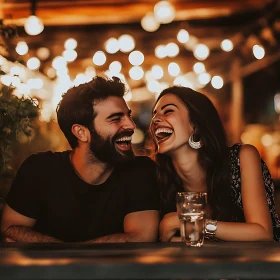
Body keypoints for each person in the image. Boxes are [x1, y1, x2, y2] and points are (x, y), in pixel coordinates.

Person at [1, 76, 160, 243]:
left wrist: (67, 254)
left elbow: (140, 237)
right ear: (81, 132)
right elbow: (11, 228)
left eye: (128, 116)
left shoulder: (140, 171)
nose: (131, 125)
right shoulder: (40, 169)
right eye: (116, 119)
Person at [149, 85, 280, 242]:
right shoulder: (156, 177)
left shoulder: (242, 158)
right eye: (154, 114)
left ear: (195, 125)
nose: (155, 119)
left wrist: (196, 224)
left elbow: (263, 233)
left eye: (168, 111)